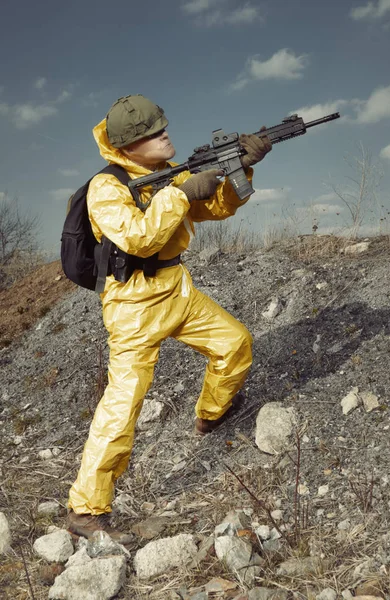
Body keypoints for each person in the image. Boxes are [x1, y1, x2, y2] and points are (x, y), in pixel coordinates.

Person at [66, 94, 272, 543]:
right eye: (152, 133)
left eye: (162, 127)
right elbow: (138, 238)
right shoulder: (108, 186)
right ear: (127, 146)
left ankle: (211, 416)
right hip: (133, 305)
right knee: (123, 404)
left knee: (234, 343)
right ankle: (86, 509)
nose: (165, 134)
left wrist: (243, 167)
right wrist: (179, 191)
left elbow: (214, 207)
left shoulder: (160, 175)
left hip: (177, 288)